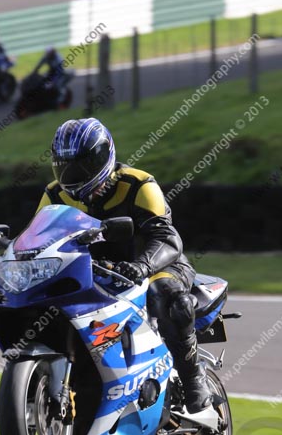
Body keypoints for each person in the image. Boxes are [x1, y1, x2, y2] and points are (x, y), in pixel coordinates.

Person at [35, 117, 212, 415]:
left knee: (165, 292)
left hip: (156, 265)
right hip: (95, 271)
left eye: (82, 165)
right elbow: (39, 239)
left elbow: (167, 238)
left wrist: (142, 267)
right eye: (65, 166)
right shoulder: (54, 194)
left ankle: (194, 379)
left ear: (104, 157)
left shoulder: (139, 184)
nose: (73, 175)